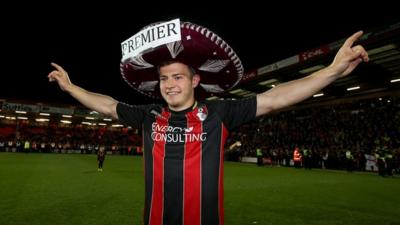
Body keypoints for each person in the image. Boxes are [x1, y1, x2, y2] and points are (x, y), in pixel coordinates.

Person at [48, 19, 368, 225]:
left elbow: (275, 98)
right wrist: (70, 87)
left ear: (195, 79)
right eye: (163, 79)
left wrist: (331, 71)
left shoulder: (218, 114)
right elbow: (107, 105)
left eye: (177, 77)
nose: (170, 84)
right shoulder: (148, 116)